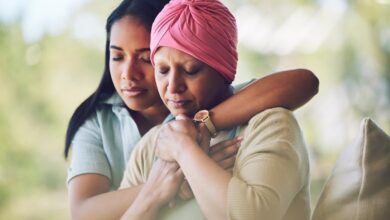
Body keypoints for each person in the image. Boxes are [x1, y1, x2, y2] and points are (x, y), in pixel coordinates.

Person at [65, 0, 317, 219]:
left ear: (223, 70)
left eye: (190, 70)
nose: (173, 87)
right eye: (162, 70)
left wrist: (185, 150)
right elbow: (83, 212)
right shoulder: (151, 144)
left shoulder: (269, 124)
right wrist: (162, 189)